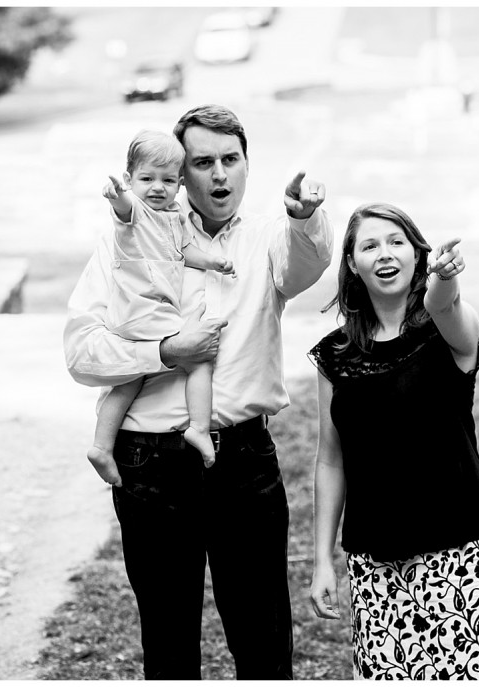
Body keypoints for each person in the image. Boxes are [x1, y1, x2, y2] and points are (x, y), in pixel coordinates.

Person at [63, 104, 333, 680]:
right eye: (201, 162)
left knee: (263, 642)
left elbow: (309, 263)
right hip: (150, 462)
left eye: (230, 160)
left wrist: (307, 218)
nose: (218, 175)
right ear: (178, 173)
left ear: (246, 166)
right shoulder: (126, 240)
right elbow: (82, 353)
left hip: (243, 459)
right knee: (169, 645)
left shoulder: (268, 239)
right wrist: (161, 354)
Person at [308, 203, 479, 680]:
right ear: (353, 265)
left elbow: (443, 303)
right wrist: (322, 561)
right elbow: (330, 461)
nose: (385, 253)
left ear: (418, 256)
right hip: (376, 561)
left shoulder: (450, 332)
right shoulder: (335, 356)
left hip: (458, 552)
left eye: (397, 241)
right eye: (370, 245)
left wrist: (445, 277)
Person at [88, 129, 236, 483]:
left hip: (148, 312)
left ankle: (101, 445)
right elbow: (124, 209)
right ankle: (199, 426)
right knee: (198, 359)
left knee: (130, 381)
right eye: (146, 178)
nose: (157, 187)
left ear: (180, 183)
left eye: (168, 180)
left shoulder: (174, 217)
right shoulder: (136, 212)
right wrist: (118, 196)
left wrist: (213, 261)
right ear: (129, 179)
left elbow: (186, 253)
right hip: (142, 309)